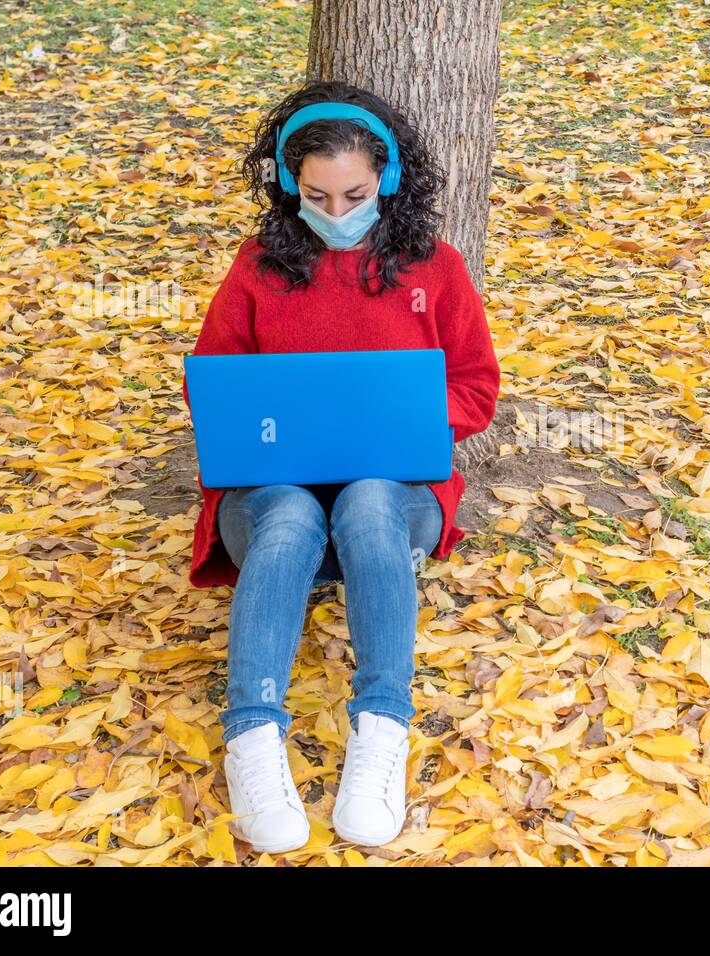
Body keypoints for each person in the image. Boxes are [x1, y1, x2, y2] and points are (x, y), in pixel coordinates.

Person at [180, 81, 500, 854]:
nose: (335, 209)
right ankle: (253, 738)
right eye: (316, 194)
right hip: (270, 493)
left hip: (398, 495)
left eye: (354, 192)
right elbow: (216, 385)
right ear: (291, 186)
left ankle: (382, 729)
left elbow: (478, 389)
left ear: (386, 181)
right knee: (290, 515)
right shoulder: (259, 267)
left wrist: (402, 419)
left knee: (365, 499)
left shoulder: (436, 269)